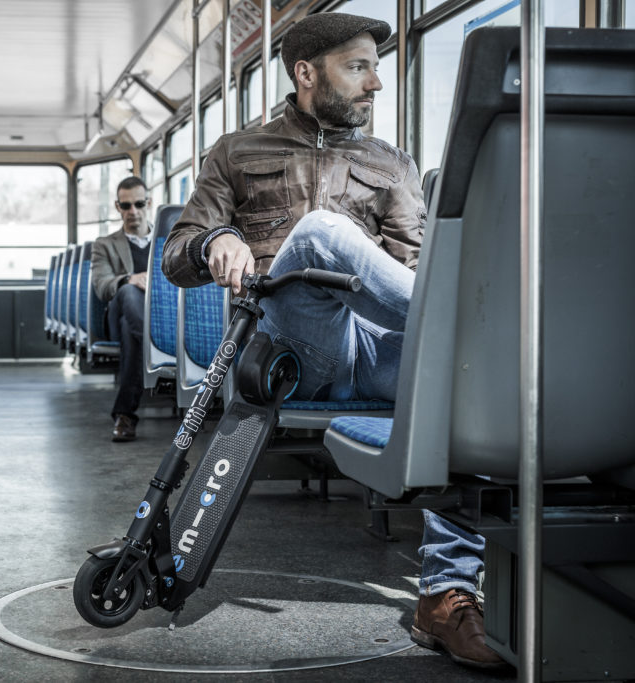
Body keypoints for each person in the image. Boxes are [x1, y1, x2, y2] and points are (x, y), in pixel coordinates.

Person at [161, 12, 505, 670]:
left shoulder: (391, 164)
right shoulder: (236, 152)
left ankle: (445, 594)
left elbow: (413, 270)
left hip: (374, 345)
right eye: (358, 67)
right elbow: (179, 254)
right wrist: (216, 240)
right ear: (306, 73)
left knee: (470, 377)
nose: (377, 82)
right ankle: (487, 332)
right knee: (321, 233)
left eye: (377, 67)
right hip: (288, 352)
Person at [91, 177, 153, 442]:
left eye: (139, 204)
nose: (133, 211)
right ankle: (154, 345)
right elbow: (102, 286)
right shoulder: (104, 244)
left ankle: (125, 415)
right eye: (126, 206)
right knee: (128, 292)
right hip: (118, 313)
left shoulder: (167, 241)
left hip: (156, 317)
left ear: (148, 203)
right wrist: (130, 279)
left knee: (132, 331)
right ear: (118, 207)